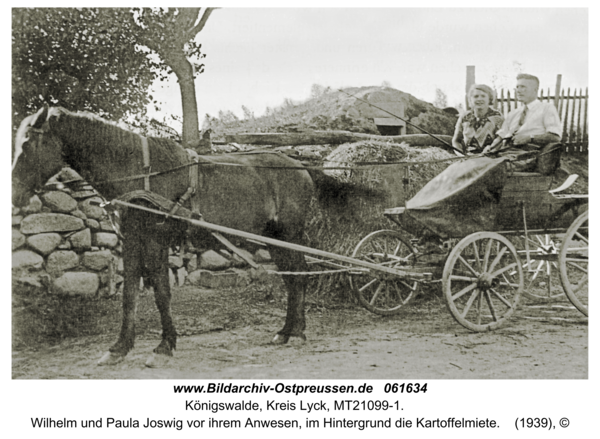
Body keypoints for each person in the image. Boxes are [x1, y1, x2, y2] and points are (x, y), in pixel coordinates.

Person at [483, 73, 563, 173]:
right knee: (475, 164)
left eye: (523, 87)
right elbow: (501, 136)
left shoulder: (546, 108)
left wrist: (530, 138)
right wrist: (490, 148)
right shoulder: (514, 113)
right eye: (517, 87)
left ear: (535, 90)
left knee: (486, 168)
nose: (518, 90)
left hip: (528, 156)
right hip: (506, 154)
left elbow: (555, 137)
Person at [452, 84, 504, 155]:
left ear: (489, 99)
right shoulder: (464, 117)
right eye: (476, 96)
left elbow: (501, 140)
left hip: (491, 158)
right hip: (467, 158)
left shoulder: (497, 117)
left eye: (483, 96)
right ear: (471, 99)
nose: (479, 99)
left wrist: (491, 148)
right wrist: (460, 154)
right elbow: (456, 141)